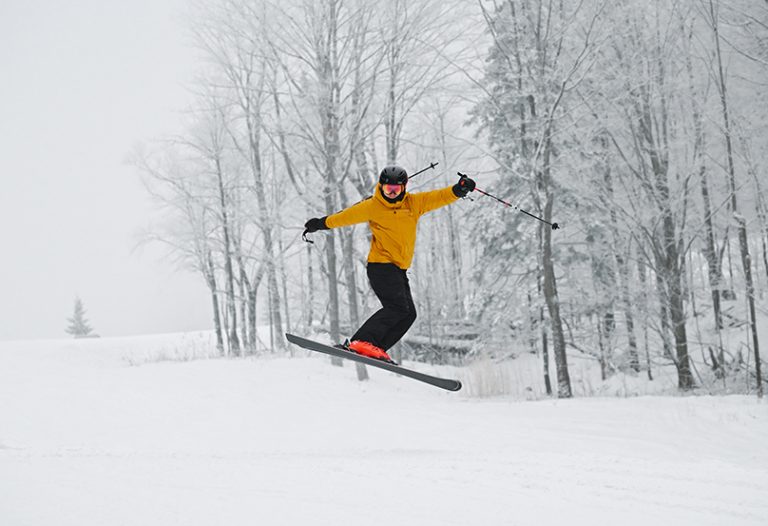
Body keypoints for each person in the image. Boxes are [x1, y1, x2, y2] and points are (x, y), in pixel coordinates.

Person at [303, 165, 475, 363]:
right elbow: (344, 217)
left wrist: (459, 189)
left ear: (403, 187)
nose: (392, 193)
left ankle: (375, 347)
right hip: (381, 266)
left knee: (409, 314)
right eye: (388, 189)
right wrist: (319, 224)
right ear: (381, 187)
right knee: (397, 308)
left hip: (398, 269)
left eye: (396, 189)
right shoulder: (373, 206)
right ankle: (361, 341)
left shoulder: (413, 204)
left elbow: (438, 197)